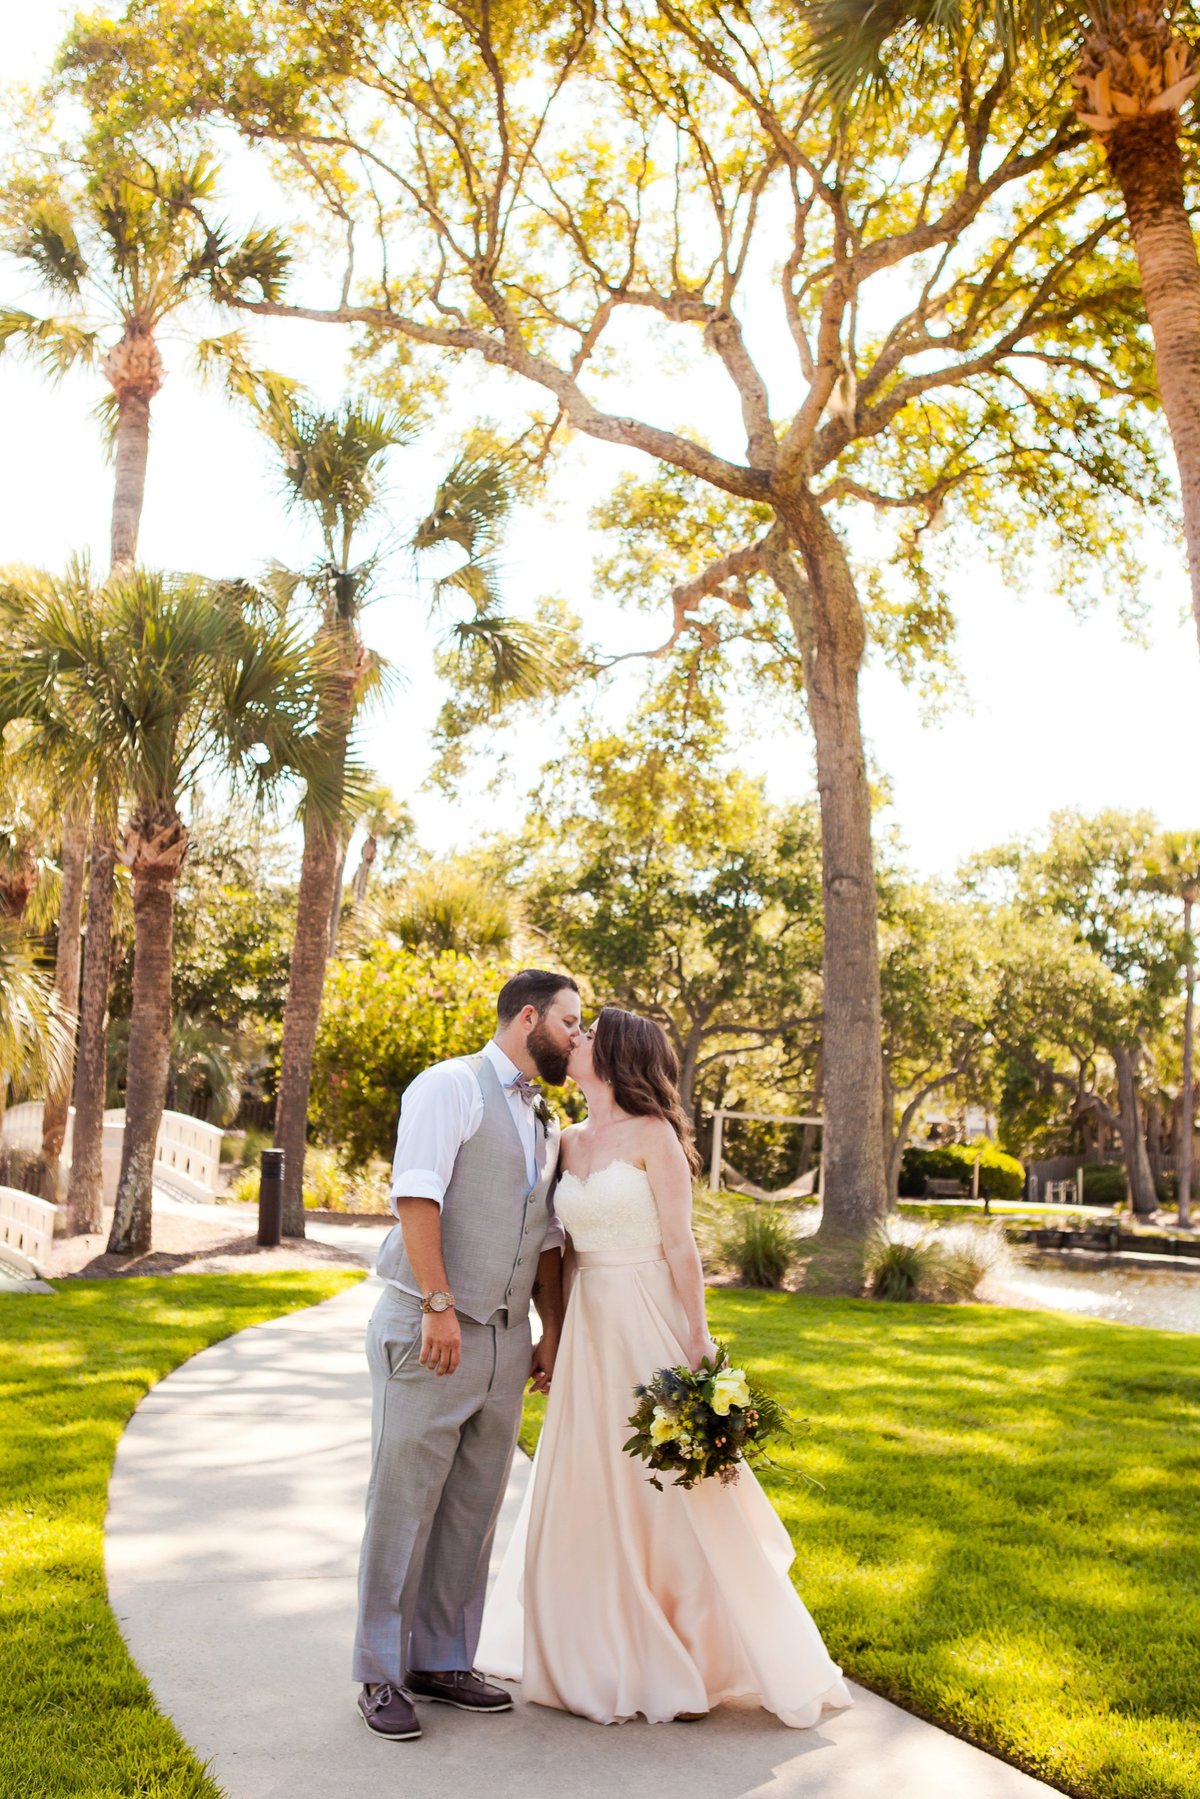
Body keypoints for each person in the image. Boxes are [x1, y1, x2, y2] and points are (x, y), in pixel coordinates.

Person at [478, 1005, 852, 1729]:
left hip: (648, 1318)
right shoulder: (568, 1138)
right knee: (592, 1481)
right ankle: (596, 1649)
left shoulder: (657, 1136)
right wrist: (551, 1334)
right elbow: (561, 1249)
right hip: (590, 1328)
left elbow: (682, 1246)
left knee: (669, 1485)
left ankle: (693, 1650)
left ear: (617, 1055)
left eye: (587, 1034)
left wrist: (698, 1337)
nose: (574, 1039)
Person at [353, 968, 582, 1743]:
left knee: (474, 1509)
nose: (579, 1038)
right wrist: (439, 1304)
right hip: (431, 1327)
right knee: (402, 1504)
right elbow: (418, 1196)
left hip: (505, 1340)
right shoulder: (449, 1086)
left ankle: (442, 1660)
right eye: (570, 1021)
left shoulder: (546, 1118)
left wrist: (548, 1330)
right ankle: (380, 1674)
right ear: (528, 1018)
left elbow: (545, 1238)